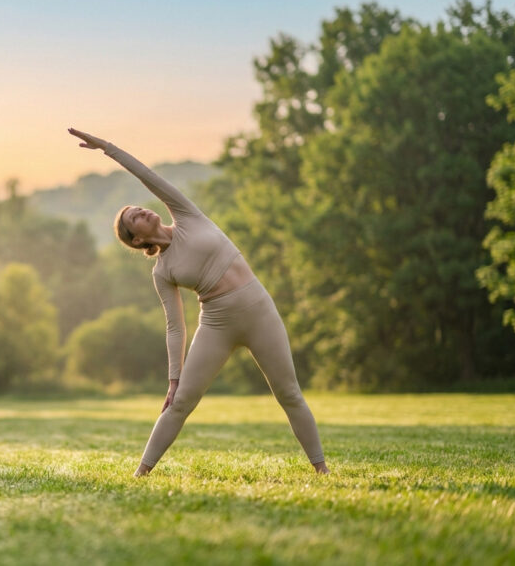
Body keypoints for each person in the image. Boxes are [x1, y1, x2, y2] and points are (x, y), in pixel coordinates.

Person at [68, 128, 330, 477]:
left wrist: (109, 149)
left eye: (139, 209)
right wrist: (173, 379)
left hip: (258, 309)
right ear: (137, 239)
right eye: (135, 218)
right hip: (217, 324)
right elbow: (175, 326)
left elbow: (149, 177)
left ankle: (322, 470)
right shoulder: (162, 271)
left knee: (290, 394)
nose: (142, 211)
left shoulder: (187, 214)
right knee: (178, 405)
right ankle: (140, 474)